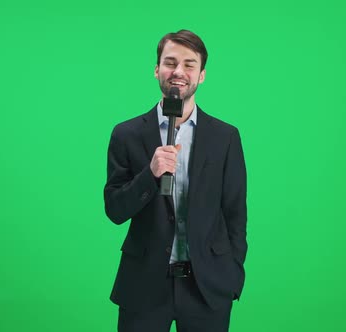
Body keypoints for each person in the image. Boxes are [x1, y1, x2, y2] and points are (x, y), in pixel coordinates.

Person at [104, 29, 247, 332]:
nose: (178, 72)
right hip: (144, 285)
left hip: (206, 287)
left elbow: (235, 213)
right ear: (157, 70)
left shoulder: (226, 138)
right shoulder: (126, 134)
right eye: (170, 63)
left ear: (202, 75)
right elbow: (114, 210)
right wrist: (150, 174)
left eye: (189, 64)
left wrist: (232, 274)